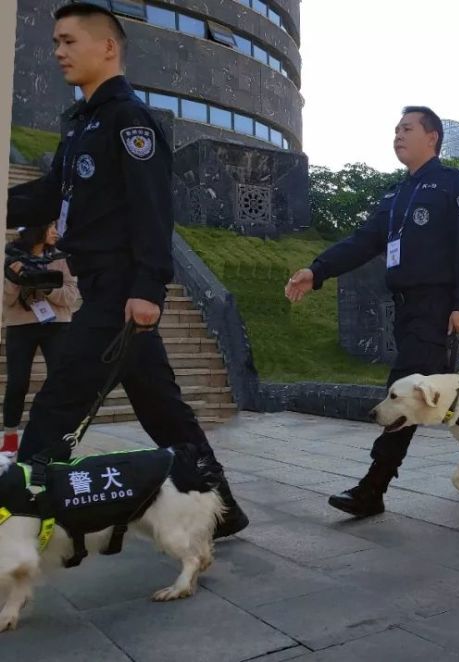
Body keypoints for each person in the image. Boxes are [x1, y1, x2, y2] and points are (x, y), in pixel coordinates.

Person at [5, 3, 248, 538]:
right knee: (163, 410)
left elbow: (152, 210)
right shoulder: (82, 124)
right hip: (97, 286)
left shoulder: (128, 120)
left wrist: (147, 288)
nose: (59, 52)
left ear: (107, 47)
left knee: (56, 402)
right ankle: (222, 509)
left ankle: (15, 518)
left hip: (119, 289)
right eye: (55, 43)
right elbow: (48, 196)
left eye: (69, 41)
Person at [285, 106, 459, 518]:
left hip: (437, 307)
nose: (398, 135)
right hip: (406, 310)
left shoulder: (452, 185)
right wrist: (317, 271)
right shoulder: (396, 195)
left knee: (404, 396)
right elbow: (362, 240)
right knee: (437, 398)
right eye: (395, 129)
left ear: (432, 137)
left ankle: (374, 487)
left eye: (407, 128)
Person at [3, 222, 79, 457]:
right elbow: (6, 300)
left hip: (56, 324)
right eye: (50, 227)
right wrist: (16, 280)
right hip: (20, 325)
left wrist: (45, 287)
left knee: (60, 381)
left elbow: (70, 296)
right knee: (17, 383)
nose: (56, 231)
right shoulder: (11, 255)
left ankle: (55, 436)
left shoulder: (61, 256)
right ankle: (9, 439)